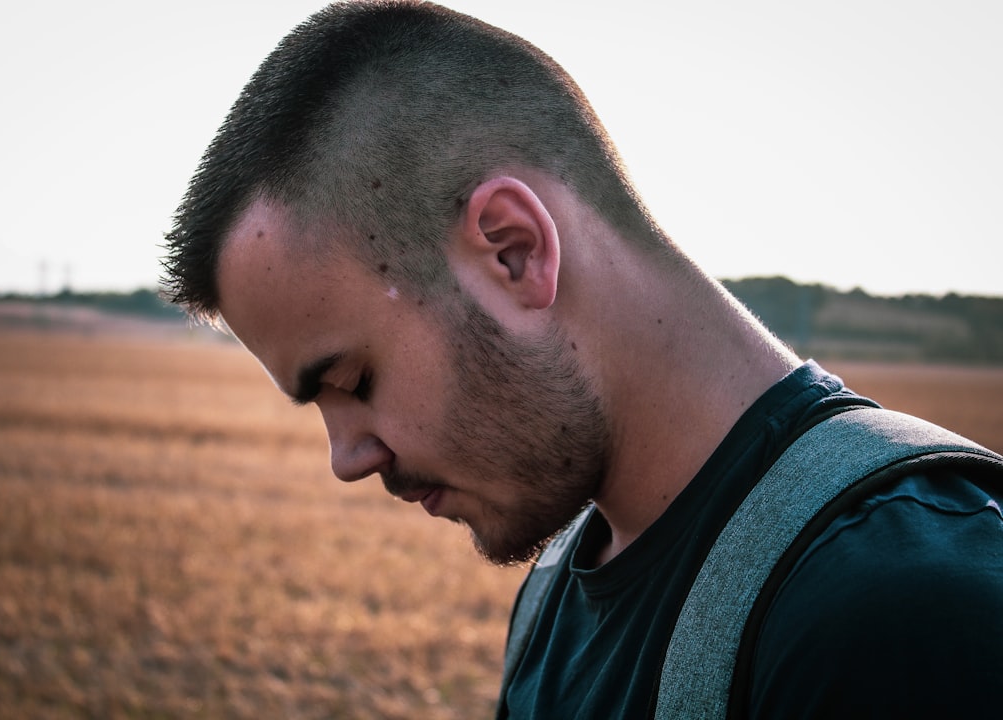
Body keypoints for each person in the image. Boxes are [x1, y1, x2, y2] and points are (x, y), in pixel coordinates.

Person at [160, 2, 1003, 717]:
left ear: (513, 251)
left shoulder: (906, 608)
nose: (348, 459)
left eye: (352, 382)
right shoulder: (558, 581)